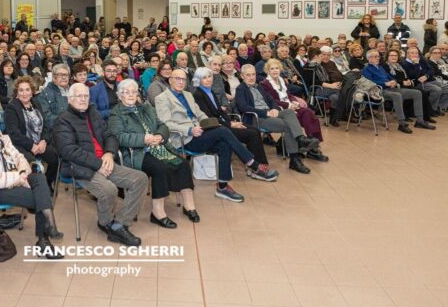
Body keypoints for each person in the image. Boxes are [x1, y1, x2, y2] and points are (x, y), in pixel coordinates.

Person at [156, 69, 281, 197]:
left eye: (183, 79)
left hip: (200, 132)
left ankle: (222, 187)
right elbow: (166, 123)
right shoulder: (162, 98)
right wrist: (189, 130)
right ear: (170, 80)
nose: (181, 82)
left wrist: (206, 123)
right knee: (223, 131)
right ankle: (252, 164)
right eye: (177, 78)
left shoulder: (188, 95)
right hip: (184, 138)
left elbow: (200, 114)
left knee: (224, 144)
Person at [53, 83, 148, 246]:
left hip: (105, 161)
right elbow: (69, 151)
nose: (83, 100)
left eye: (86, 96)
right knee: (109, 189)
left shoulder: (93, 112)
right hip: (81, 167)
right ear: (70, 99)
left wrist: (109, 154)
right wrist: (98, 164)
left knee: (140, 178)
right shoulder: (62, 120)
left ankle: (120, 224)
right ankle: (105, 223)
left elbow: (109, 135)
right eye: (79, 96)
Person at [0, 107, 63, 257]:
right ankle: (45, 238)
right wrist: (18, 178)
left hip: (17, 177)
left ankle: (48, 229)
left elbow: (20, 157)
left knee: (39, 178)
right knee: (40, 198)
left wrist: (23, 172)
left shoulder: (4, 139)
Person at [109, 79, 197, 227]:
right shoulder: (116, 114)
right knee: (160, 167)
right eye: (126, 92)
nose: (130, 95)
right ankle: (157, 212)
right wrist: (144, 139)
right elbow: (119, 137)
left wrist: (160, 136)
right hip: (136, 152)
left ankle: (189, 206)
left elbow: (162, 124)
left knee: (182, 163)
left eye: (133, 91)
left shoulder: (145, 108)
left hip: (158, 147)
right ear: (119, 95)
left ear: (137, 93)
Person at [235, 65, 320, 174]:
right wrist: (266, 112)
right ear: (242, 76)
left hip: (270, 113)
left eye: (253, 74)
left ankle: (300, 139)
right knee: (287, 125)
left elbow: (271, 100)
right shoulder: (241, 89)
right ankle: (294, 158)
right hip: (257, 117)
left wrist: (275, 109)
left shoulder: (259, 87)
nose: (251, 77)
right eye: (248, 75)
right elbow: (243, 107)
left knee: (289, 112)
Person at [191, 67, 277, 166]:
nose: (208, 79)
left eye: (209, 76)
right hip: (215, 128)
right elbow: (209, 118)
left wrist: (232, 122)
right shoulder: (198, 95)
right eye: (204, 78)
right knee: (251, 134)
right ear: (198, 80)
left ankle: (261, 164)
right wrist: (230, 124)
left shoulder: (210, 91)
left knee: (255, 130)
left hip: (224, 123)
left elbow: (220, 111)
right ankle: (258, 166)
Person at [3, 77, 59, 190]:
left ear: (32, 92)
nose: (24, 93)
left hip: (39, 143)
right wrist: (31, 145)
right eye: (21, 90)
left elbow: (45, 126)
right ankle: (34, 193)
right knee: (33, 166)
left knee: (55, 157)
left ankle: (47, 183)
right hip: (20, 145)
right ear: (16, 93)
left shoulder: (36, 103)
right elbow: (14, 134)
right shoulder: (12, 107)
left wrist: (44, 141)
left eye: (27, 90)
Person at [261, 60, 329, 151]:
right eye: (272, 69)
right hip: (278, 109)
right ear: (268, 71)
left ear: (280, 69)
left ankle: (313, 142)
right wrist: (289, 105)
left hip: (289, 104)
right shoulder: (265, 84)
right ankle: (304, 143)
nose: (275, 70)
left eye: (276, 68)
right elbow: (272, 101)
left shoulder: (281, 80)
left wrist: (295, 101)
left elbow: (288, 95)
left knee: (308, 113)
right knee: (300, 115)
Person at [362, 49, 435, 133]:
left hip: (391, 88)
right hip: (378, 91)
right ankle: (402, 123)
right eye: (375, 57)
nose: (378, 58)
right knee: (397, 95)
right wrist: (385, 84)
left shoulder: (380, 67)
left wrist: (394, 81)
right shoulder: (366, 69)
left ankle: (420, 121)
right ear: (369, 58)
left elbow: (389, 76)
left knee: (417, 93)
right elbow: (370, 83)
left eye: (378, 56)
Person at [403, 46, 448, 115]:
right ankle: (430, 110)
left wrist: (426, 76)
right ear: (407, 54)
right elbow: (415, 75)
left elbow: (431, 70)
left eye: (416, 53)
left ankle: (439, 107)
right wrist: (416, 64)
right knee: (437, 90)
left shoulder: (421, 60)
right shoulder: (405, 64)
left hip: (429, 80)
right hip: (418, 83)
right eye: (412, 53)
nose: (415, 55)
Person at [35, 63, 70, 132]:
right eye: (60, 75)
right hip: (57, 132)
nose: (64, 77)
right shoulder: (44, 95)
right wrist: (68, 121)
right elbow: (47, 119)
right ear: (54, 77)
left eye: (66, 75)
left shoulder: (74, 91)